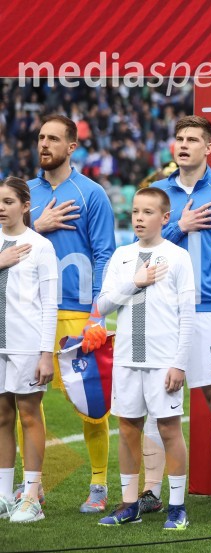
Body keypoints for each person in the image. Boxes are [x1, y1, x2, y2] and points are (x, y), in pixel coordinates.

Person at [146, 116, 211, 521]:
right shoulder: (159, 194)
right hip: (160, 312)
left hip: (207, 311)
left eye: (192, 139)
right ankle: (152, 492)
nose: (184, 144)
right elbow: (144, 245)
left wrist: (206, 286)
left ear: (209, 147)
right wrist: (179, 226)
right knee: (159, 400)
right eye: (179, 138)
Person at [28, 114, 116, 513]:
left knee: (91, 405)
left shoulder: (91, 194)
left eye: (53, 139)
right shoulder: (22, 193)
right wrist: (35, 224)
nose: (44, 144)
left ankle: (99, 484)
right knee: (25, 400)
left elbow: (104, 254)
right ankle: (34, 486)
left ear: (71, 147)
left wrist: (98, 311)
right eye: (41, 138)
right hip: (27, 311)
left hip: (77, 311)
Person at [96, 187, 194, 530]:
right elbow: (103, 304)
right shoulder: (122, 255)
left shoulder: (178, 257)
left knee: (169, 429)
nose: (139, 217)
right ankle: (129, 504)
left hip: (162, 360)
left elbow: (188, 315)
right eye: (136, 211)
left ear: (165, 218)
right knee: (127, 429)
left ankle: (177, 507)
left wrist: (179, 363)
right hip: (126, 358)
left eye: (148, 212)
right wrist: (134, 282)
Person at [0, 177, 58, 523]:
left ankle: (31, 497)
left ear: (25, 206)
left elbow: (49, 304)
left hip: (25, 344)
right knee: (1, 417)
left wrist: (45, 352)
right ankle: (5, 495)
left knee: (29, 415)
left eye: (8, 201)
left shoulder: (40, 246)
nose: (1, 207)